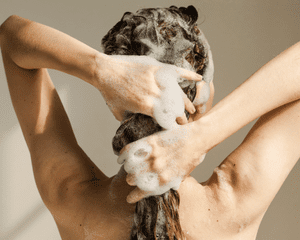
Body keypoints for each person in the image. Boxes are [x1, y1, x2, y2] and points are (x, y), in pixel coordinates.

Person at [1, 5, 300, 240]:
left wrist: (100, 70)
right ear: (199, 98)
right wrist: (203, 134)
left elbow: (10, 35)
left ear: (115, 104)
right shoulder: (237, 198)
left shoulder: (71, 197)